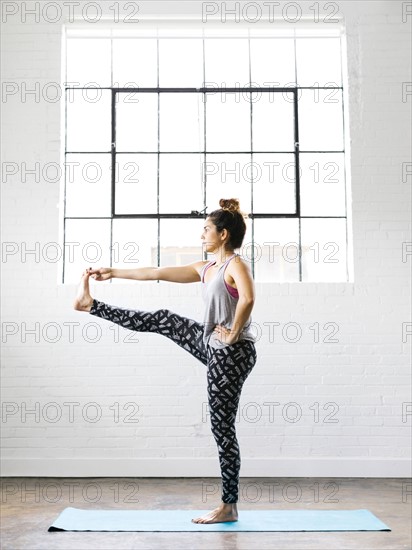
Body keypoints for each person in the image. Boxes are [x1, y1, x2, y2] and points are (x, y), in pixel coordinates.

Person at [73, 198, 257, 524]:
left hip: (232, 354)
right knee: (164, 319)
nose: (202, 235)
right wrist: (114, 272)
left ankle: (229, 506)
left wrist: (232, 334)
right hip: (212, 345)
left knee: (222, 428)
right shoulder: (206, 268)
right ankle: (91, 305)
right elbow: (156, 272)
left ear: (224, 235)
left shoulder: (235, 266)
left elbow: (248, 297)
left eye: (206, 229)